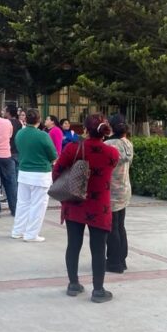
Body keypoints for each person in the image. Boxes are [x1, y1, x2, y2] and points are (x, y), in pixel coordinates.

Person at [55, 114, 119, 303]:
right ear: (104, 132)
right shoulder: (111, 153)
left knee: (73, 245)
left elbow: (57, 171)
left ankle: (73, 284)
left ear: (84, 129)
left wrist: (64, 196)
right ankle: (98, 290)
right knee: (98, 248)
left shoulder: (72, 149)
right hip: (99, 206)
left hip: (74, 203)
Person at [10, 109, 58, 242]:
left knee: (22, 203)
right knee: (38, 205)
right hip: (40, 173)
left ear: (26, 119)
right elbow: (53, 155)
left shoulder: (20, 133)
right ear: (39, 119)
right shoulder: (42, 135)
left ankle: (17, 230)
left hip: (24, 172)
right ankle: (31, 234)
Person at [105, 114, 134, 274]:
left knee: (112, 228)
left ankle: (114, 262)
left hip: (110, 190)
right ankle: (122, 259)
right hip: (124, 189)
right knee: (120, 226)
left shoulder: (109, 144)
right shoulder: (127, 144)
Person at [4, 105, 22, 171]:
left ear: (8, 112)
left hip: (9, 150)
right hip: (17, 149)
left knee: (10, 173)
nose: (3, 112)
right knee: (17, 171)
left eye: (4, 111)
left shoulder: (6, 122)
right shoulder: (19, 122)